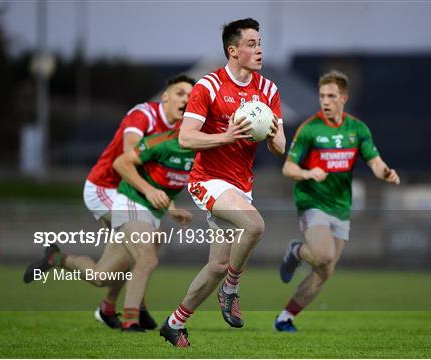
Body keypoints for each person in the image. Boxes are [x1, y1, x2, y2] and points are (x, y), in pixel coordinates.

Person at [23, 74, 195, 330]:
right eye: (180, 93)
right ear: (165, 96)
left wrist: (167, 204)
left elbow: (161, 176)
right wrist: (154, 195)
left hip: (135, 194)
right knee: (144, 248)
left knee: (105, 273)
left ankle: (63, 265)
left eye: (191, 97)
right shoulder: (144, 116)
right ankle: (133, 313)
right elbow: (127, 159)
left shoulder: (180, 132)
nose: (186, 100)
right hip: (106, 188)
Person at [159, 18, 286, 348]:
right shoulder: (209, 86)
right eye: (251, 44)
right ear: (233, 51)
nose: (259, 50)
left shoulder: (268, 90)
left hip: (240, 185)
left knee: (216, 265)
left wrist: (272, 135)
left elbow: (280, 147)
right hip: (208, 180)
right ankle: (231, 289)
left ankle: (174, 323)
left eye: (260, 43)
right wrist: (225, 135)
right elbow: (186, 138)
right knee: (255, 225)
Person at [274, 70, 400, 332]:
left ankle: (286, 317)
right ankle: (296, 251)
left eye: (331, 96)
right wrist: (308, 172)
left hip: (341, 206)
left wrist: (385, 172)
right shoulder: (310, 129)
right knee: (323, 255)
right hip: (312, 201)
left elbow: (374, 162)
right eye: (322, 96)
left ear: (344, 98)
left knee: (325, 270)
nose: (325, 101)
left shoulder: (357, 129)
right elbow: (288, 168)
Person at [110, 129, 194, 331]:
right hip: (131, 201)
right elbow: (120, 163)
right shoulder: (162, 141)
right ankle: (131, 320)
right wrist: (149, 191)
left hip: (153, 213)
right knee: (148, 257)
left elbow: (165, 184)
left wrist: (171, 209)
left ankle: (56, 258)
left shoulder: (203, 151)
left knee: (100, 276)